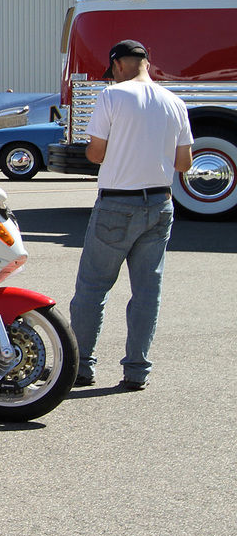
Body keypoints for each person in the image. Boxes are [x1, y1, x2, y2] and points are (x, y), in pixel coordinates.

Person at [68, 39, 192, 391]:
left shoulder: (112, 96)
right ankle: (136, 370)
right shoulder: (175, 102)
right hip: (160, 205)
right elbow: (184, 163)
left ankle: (81, 366)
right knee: (146, 291)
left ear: (118, 64)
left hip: (117, 204)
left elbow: (95, 153)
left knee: (93, 287)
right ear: (146, 63)